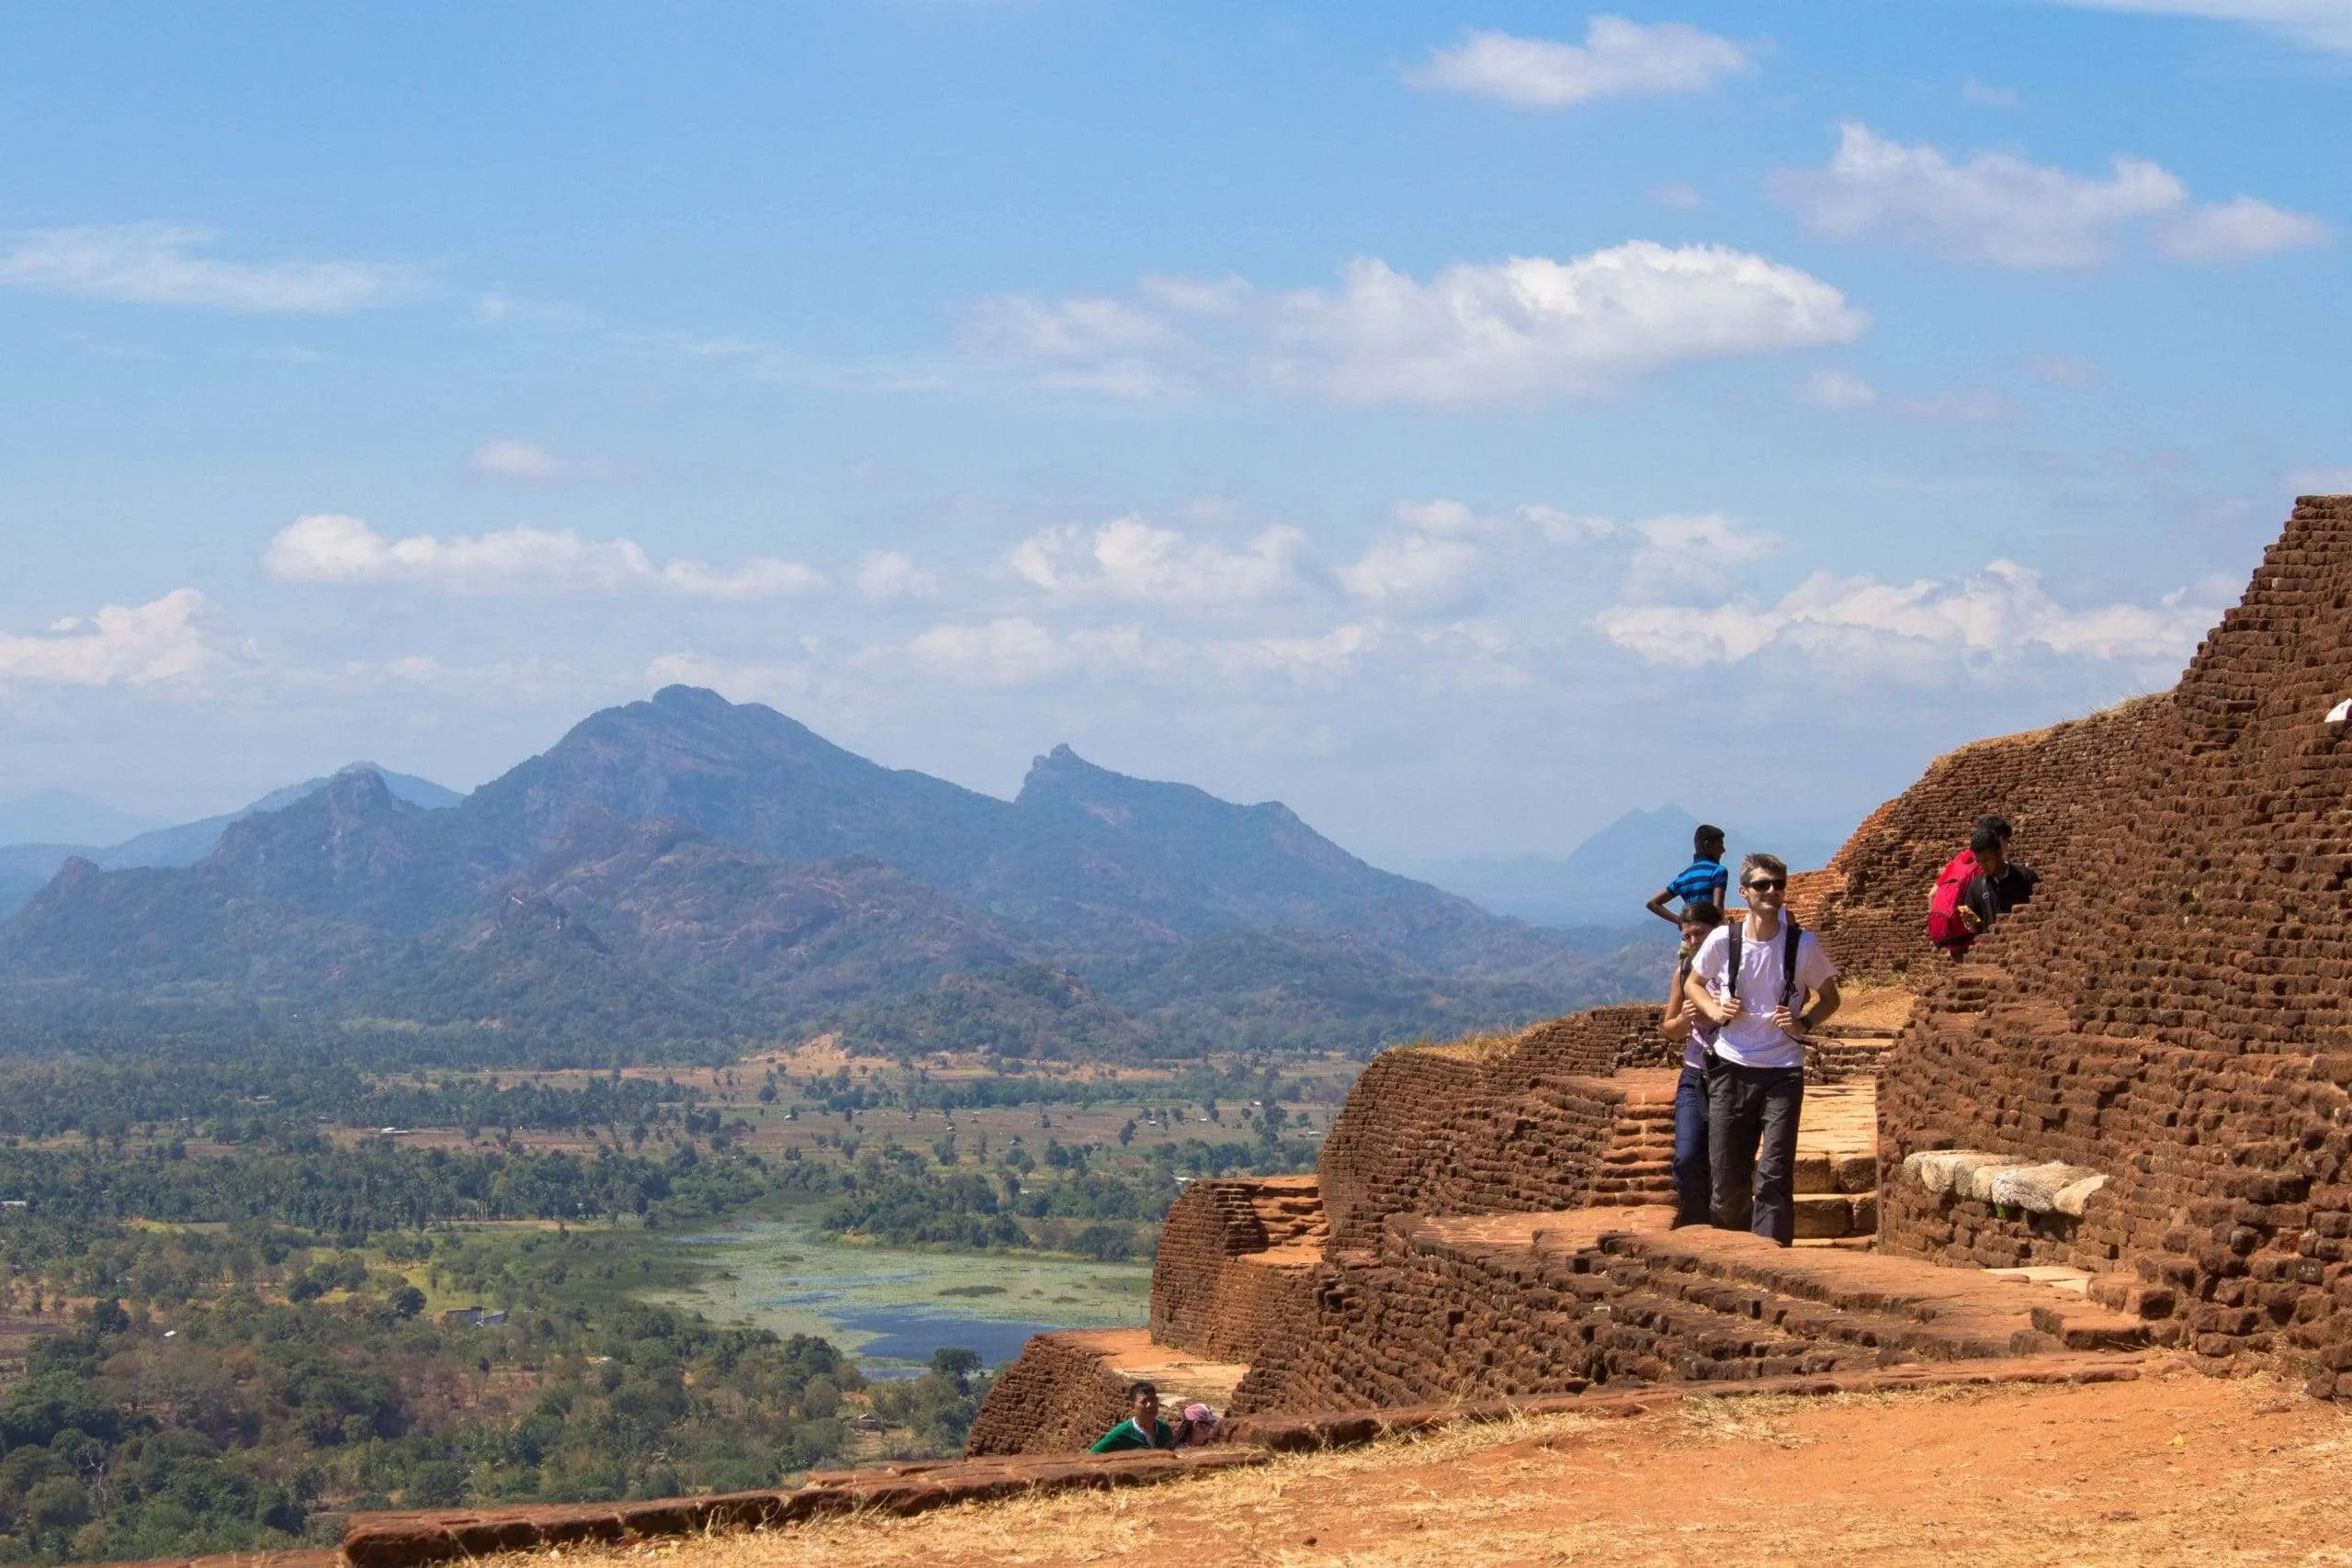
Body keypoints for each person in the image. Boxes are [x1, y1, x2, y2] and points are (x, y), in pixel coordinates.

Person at [1687, 854, 1841, 1246]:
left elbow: (1830, 997)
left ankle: (1771, 1259)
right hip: (1730, 1065)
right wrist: (1714, 1011)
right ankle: (1735, 1257)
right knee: (1727, 1180)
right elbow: (1693, 984)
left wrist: (1804, 1023)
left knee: (1774, 1175)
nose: (1772, 891)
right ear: (1744, 892)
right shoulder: (1724, 940)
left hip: (1782, 1068)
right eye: (1762, 885)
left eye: (1778, 884)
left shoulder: (1802, 944)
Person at [1658, 899, 1723, 1229]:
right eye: (1688, 936)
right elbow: (1670, 1029)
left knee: (1724, 1160)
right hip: (1695, 1072)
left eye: (1700, 933)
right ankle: (1698, 1225)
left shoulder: (1736, 969)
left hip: (1733, 1073)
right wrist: (1685, 1018)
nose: (1694, 941)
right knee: (1686, 1158)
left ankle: (1728, 1228)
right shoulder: (1684, 972)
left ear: (1718, 930)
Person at [1645, 823, 1729, 927]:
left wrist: (1681, 922)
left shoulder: (1683, 876)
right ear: (1707, 845)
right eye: (1720, 844)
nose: (1723, 850)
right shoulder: (1718, 871)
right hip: (1710, 932)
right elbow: (1718, 910)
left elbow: (1652, 903)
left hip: (1690, 934)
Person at [1089, 1382, 1175, 1452]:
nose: (1150, 1405)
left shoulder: (1165, 1430)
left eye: (1153, 1400)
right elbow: (1093, 1455)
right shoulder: (1121, 1434)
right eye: (1144, 1402)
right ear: (1132, 1406)